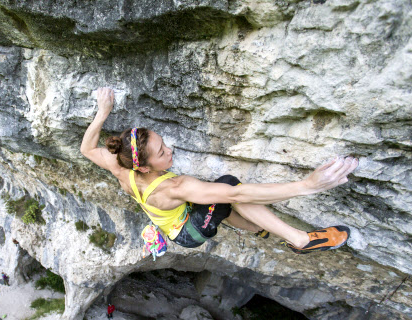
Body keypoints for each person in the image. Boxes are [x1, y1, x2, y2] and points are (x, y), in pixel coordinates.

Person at [80, 88, 359, 254]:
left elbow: (87, 149)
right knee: (228, 188)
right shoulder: (176, 187)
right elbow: (238, 193)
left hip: (172, 217)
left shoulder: (121, 166)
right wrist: (307, 185)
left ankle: (256, 228)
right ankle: (300, 239)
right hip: (188, 233)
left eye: (163, 144)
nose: (170, 151)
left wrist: (102, 112)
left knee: (219, 201)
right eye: (163, 153)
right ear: (146, 165)